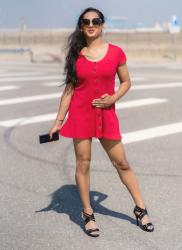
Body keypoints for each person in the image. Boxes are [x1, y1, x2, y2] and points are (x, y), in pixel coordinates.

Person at [48, 7, 154, 237]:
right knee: (83, 164)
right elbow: (69, 90)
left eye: (96, 20)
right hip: (81, 115)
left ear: (103, 24)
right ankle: (87, 212)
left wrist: (113, 98)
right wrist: (58, 121)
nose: (91, 24)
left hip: (106, 115)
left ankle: (141, 208)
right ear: (81, 26)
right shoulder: (76, 55)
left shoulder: (116, 52)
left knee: (122, 163)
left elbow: (126, 82)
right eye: (86, 21)